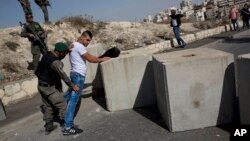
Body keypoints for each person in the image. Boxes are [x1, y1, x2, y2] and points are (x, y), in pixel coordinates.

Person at [62, 31, 110, 136]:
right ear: (82, 37)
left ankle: (61, 115)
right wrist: (102, 59)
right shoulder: (79, 46)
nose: (88, 42)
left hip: (75, 74)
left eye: (89, 41)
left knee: (68, 97)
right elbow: (91, 59)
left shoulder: (73, 44)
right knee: (73, 101)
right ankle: (67, 127)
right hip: (78, 76)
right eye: (87, 40)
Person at [35, 42, 79, 135]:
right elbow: (63, 75)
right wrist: (72, 85)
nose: (65, 55)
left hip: (41, 86)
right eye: (65, 53)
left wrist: (68, 48)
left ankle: (48, 124)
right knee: (63, 105)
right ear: (60, 52)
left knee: (47, 105)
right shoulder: (55, 62)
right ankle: (66, 126)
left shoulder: (47, 55)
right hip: (49, 88)